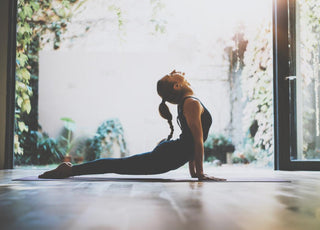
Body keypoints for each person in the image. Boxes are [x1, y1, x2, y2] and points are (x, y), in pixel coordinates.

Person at [38, 70, 226, 181]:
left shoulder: (189, 102)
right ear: (177, 86)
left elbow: (193, 142)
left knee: (119, 165)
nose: (179, 71)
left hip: (170, 155)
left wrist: (195, 172)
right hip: (167, 156)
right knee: (118, 165)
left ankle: (70, 169)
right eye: (172, 74)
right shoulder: (191, 103)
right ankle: (69, 170)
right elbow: (197, 141)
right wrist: (199, 173)